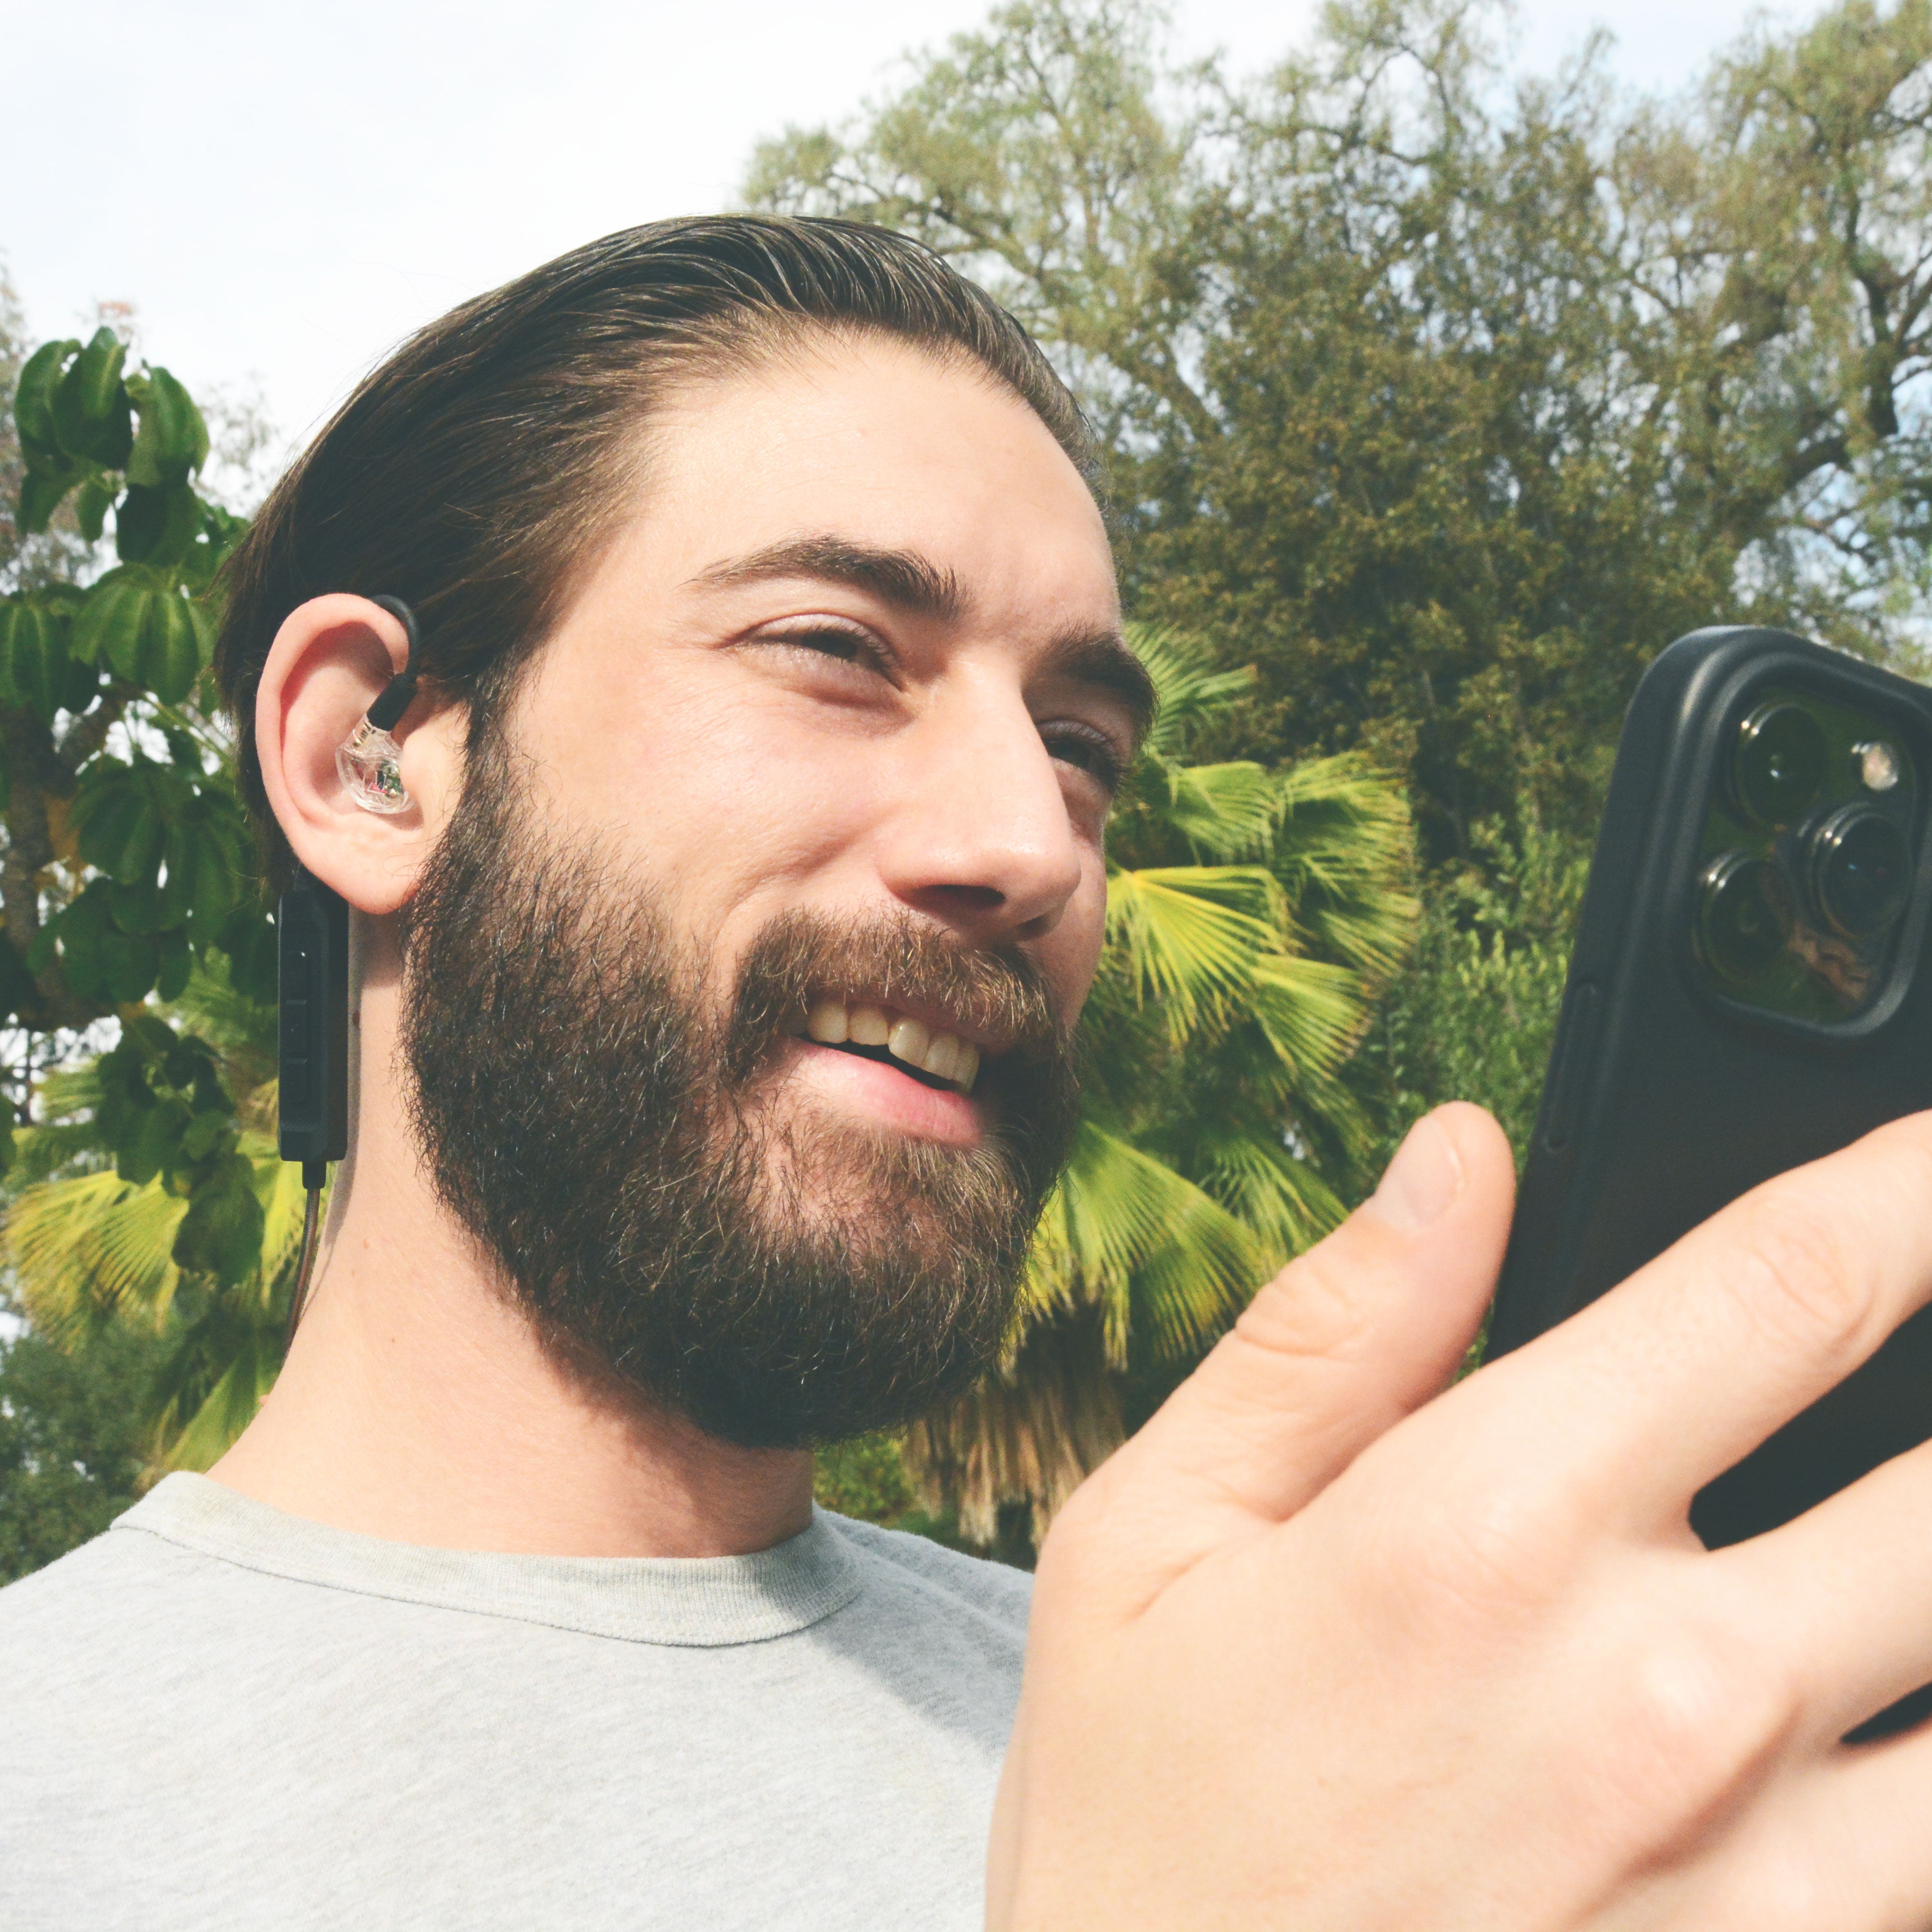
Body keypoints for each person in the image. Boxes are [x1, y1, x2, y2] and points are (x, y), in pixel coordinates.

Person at [6, 216, 1932, 1931]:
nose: (1040, 842)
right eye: (838, 646)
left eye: (1081, 742)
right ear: (367, 757)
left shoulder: (1298, 1747)